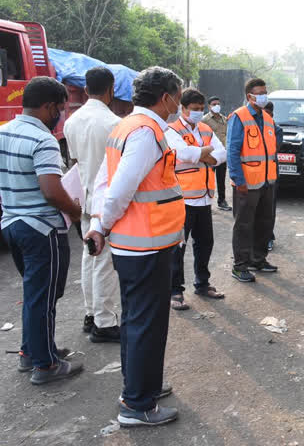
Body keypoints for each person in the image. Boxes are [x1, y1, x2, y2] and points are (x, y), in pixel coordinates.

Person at [85, 66, 185, 427]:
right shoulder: (146, 132)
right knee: (146, 323)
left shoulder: (125, 126)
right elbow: (120, 188)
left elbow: (102, 180)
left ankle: (141, 387)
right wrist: (102, 223)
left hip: (137, 244)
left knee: (137, 321)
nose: (177, 102)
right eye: (177, 95)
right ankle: (138, 405)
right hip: (145, 245)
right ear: (165, 98)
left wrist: (99, 224)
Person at [0, 76, 83, 384]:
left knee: (35, 294)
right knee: (44, 296)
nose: (60, 115)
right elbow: (51, 190)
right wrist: (75, 211)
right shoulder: (43, 140)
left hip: (11, 223)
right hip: (41, 228)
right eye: (60, 108)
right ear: (49, 107)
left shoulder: (4, 132)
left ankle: (31, 351)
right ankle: (45, 365)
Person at [64, 66, 122, 343]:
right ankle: (105, 321)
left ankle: (91, 314)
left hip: (85, 200)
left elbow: (76, 163)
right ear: (111, 90)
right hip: (105, 202)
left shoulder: (72, 122)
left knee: (90, 258)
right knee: (104, 263)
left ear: (86, 90)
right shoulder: (113, 124)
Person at [166, 89, 227, 311]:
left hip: (203, 197)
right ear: (183, 109)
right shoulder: (171, 131)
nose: (198, 113)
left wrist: (201, 154)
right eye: (194, 109)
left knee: (205, 244)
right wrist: (204, 154)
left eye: (201, 109)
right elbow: (182, 153)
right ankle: (175, 291)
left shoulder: (206, 129)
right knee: (178, 247)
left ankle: (202, 283)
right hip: (182, 197)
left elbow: (221, 155)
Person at [227, 78, 278, 282]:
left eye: (265, 91)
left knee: (265, 222)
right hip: (246, 183)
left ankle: (258, 259)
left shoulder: (267, 117)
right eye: (260, 92)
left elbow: (275, 141)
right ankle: (240, 266)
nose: (264, 95)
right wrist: (238, 179)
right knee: (244, 225)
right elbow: (232, 150)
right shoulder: (239, 117)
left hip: (267, 181)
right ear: (250, 96)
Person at [202, 95, 232, 211]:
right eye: (214, 104)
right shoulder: (204, 120)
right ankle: (205, 201)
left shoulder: (224, 119)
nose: (216, 106)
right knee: (207, 178)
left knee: (221, 179)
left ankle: (222, 201)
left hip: (222, 154)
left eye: (218, 104)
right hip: (210, 155)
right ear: (209, 106)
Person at [264, 101, 283, 252]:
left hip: (270, 174)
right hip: (254, 175)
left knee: (269, 209)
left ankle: (268, 237)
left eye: (267, 114)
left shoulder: (276, 129)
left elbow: (274, 148)